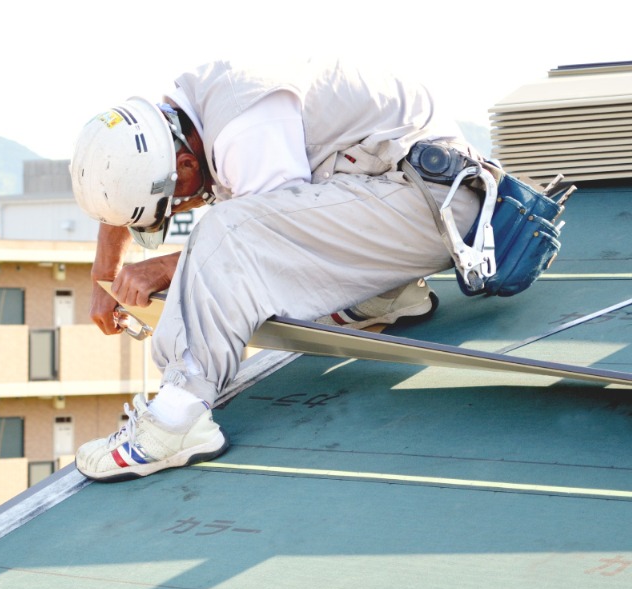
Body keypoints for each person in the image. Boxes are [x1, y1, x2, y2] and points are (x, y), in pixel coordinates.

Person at [69, 58, 483, 482]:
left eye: (172, 206)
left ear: (187, 166)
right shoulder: (184, 113)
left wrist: (166, 267)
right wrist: (104, 276)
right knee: (233, 224)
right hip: (406, 193)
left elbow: (260, 244)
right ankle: (385, 294)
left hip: (436, 207)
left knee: (225, 228)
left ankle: (177, 419)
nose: (180, 210)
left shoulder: (245, 131)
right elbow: (127, 179)